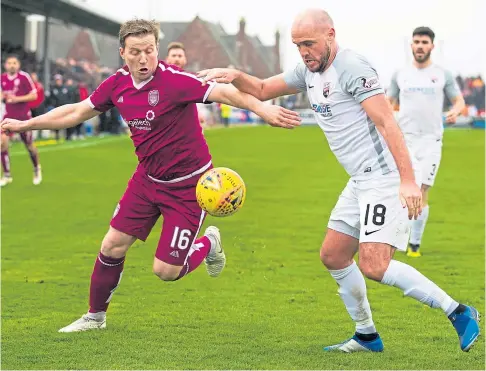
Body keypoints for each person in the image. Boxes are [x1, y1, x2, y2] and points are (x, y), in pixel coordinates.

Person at [196, 9, 480, 352]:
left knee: (374, 264)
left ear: (330, 34)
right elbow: (260, 88)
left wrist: (407, 180)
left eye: (309, 44)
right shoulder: (307, 70)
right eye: (298, 45)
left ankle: (460, 312)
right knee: (333, 254)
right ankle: (366, 335)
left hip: (386, 177)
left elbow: (387, 122)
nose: (304, 52)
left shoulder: (352, 67)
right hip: (360, 179)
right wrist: (234, 74)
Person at [0, 19, 301, 333]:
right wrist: (24, 125)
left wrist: (264, 110)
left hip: (189, 187)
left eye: (149, 50)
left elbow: (226, 93)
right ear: (122, 53)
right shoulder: (116, 84)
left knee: (166, 271)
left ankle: (208, 243)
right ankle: (95, 317)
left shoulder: (175, 81)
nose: (143, 59)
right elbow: (76, 111)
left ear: (157, 49)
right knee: (111, 245)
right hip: (146, 181)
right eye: (135, 52)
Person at [387, 27, 465, 257]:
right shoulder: (400, 74)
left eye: (424, 42)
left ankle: (414, 244)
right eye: (416, 42)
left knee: (420, 191)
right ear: (411, 45)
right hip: (405, 140)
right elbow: (387, 102)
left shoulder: (442, 74)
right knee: (402, 190)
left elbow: (459, 101)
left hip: (431, 141)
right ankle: (398, 238)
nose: (420, 46)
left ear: (432, 46)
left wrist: (456, 112)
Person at [0, 55, 42, 186]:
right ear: (5, 65)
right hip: (7, 116)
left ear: (18, 65)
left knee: (29, 146)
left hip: (23, 117)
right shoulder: (2, 78)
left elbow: (34, 95)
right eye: (9, 63)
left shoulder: (24, 77)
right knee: (2, 143)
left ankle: (36, 168)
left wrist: (17, 99)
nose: (12, 65)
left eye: (14, 63)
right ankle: (7, 175)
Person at [165, 41, 208, 128]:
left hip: (187, 130)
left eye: (180, 56)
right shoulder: (159, 80)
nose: (177, 59)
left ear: (185, 60)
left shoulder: (192, 80)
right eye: (173, 56)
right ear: (167, 59)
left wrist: (199, 114)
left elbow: (198, 103)